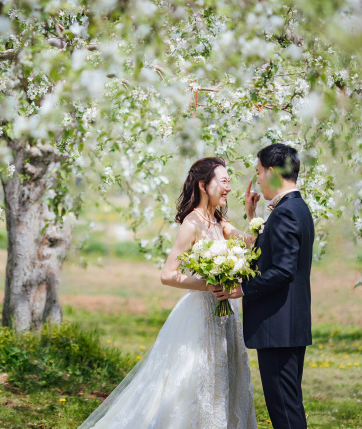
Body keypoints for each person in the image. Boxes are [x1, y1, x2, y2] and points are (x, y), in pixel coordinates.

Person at [79, 157, 256, 429]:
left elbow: (254, 244)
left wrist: (251, 214)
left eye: (229, 182)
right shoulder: (191, 224)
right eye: (223, 181)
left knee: (226, 374)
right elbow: (167, 274)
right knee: (197, 378)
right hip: (202, 313)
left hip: (226, 314)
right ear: (203, 185)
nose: (228, 188)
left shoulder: (220, 221)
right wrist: (206, 285)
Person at [211, 143, 313, 429]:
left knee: (285, 411)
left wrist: (242, 289)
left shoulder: (286, 212)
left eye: (258, 172)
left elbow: (283, 270)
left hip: (278, 328)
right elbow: (271, 251)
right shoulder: (296, 208)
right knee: (288, 405)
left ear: (271, 172)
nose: (257, 180)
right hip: (288, 327)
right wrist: (252, 215)